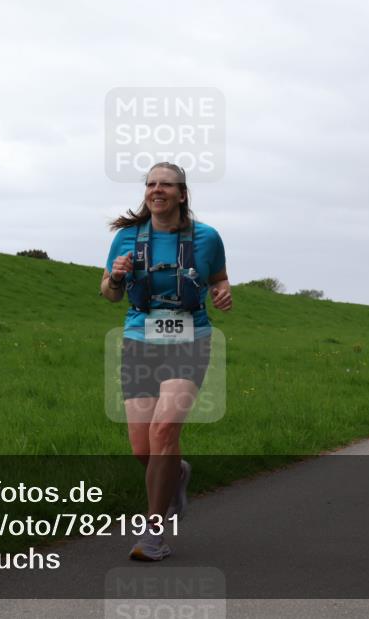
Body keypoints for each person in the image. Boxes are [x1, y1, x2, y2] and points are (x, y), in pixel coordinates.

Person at [101, 162, 231, 562]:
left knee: (163, 431)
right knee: (143, 447)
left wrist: (225, 293)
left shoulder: (207, 238)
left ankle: (153, 534)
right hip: (140, 341)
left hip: (190, 340)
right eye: (151, 183)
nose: (157, 189)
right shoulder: (126, 238)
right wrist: (118, 277)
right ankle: (176, 473)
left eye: (166, 185)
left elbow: (219, 279)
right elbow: (108, 294)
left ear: (183, 194)